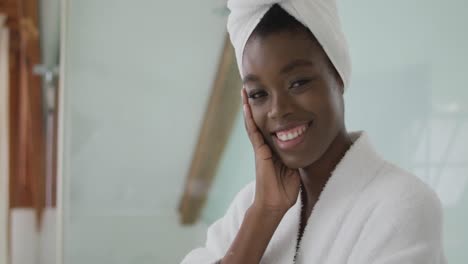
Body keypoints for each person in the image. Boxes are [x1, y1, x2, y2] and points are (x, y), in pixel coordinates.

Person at [182, 1, 446, 263]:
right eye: (258, 94)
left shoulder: (403, 204)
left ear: (338, 75)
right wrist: (264, 214)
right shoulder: (249, 205)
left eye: (298, 83)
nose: (278, 110)